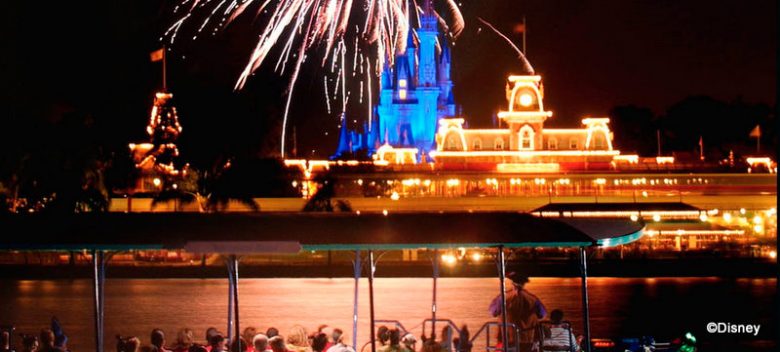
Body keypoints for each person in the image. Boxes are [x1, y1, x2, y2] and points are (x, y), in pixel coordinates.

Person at [488, 272, 547, 352]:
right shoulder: (532, 299)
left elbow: (493, 312)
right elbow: (542, 314)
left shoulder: (503, 298)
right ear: (524, 284)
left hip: (507, 339)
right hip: (528, 339)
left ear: (512, 284)